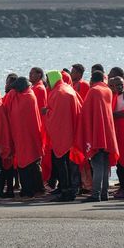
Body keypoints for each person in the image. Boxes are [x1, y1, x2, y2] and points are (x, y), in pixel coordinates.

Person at [78, 70, 119, 202]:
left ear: (92, 79)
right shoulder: (107, 90)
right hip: (107, 133)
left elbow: (86, 112)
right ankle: (104, 193)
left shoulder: (94, 91)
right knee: (105, 165)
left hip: (97, 133)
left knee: (97, 165)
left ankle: (96, 194)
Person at [43, 71, 82, 202]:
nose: (47, 83)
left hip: (62, 135)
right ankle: (68, 189)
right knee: (68, 164)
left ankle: (66, 191)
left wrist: (47, 112)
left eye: (48, 80)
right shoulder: (66, 89)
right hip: (70, 133)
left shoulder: (59, 93)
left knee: (62, 163)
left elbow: (56, 117)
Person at [5, 76, 44, 198]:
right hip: (28, 136)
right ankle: (34, 188)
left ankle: (29, 190)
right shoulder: (27, 95)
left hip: (25, 136)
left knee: (27, 165)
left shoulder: (25, 97)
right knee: (31, 164)